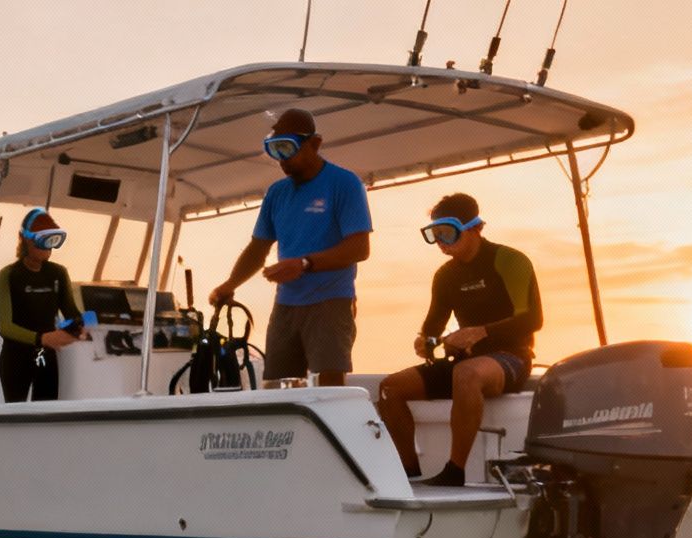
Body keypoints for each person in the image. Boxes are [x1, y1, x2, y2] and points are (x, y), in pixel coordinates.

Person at [376, 194, 544, 487]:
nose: (441, 240)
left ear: (474, 228)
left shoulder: (510, 260)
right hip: (466, 361)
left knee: (465, 374)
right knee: (391, 388)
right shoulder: (445, 276)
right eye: (434, 234)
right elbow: (431, 327)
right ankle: (408, 471)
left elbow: (532, 320)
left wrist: (482, 331)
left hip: (511, 356)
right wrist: (426, 342)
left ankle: (455, 470)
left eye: (447, 232)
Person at [209, 109, 372, 390]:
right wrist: (229, 284)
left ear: (315, 143)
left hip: (331, 301)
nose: (282, 159)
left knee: (328, 385)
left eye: (288, 148)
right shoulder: (276, 193)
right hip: (286, 304)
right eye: (275, 150)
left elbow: (359, 248)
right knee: (275, 385)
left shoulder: (344, 184)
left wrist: (304, 264)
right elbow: (258, 248)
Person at [0, 209, 87, 403]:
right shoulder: (8, 276)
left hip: (46, 356)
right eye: (43, 240)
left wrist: (81, 325)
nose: (48, 248)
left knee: (46, 413)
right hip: (16, 358)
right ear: (25, 239)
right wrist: (43, 338)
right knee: (15, 415)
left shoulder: (58, 273)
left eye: (53, 240)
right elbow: (5, 327)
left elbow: (71, 312)